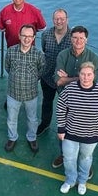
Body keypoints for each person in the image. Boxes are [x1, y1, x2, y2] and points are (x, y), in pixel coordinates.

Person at [56, 62, 98, 195]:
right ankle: (70, 180)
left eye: (89, 74)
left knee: (85, 158)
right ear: (79, 75)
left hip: (91, 135)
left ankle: (82, 181)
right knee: (68, 158)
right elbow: (61, 108)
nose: (85, 77)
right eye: (83, 74)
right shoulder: (70, 89)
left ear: (94, 75)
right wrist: (61, 128)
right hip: (70, 133)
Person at [50, 26, 98, 169]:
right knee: (63, 128)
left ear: (86, 40)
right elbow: (58, 81)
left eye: (81, 38)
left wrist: (68, 78)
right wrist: (79, 78)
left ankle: (84, 162)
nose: (78, 41)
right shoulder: (62, 55)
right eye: (75, 37)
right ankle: (63, 154)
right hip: (66, 100)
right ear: (70, 39)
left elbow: (90, 83)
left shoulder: (94, 58)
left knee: (85, 131)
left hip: (86, 102)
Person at [3, 25, 45, 153]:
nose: (27, 39)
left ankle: (31, 137)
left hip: (31, 94)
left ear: (33, 38)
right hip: (13, 93)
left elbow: (41, 71)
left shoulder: (38, 54)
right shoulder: (11, 51)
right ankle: (12, 137)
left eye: (30, 36)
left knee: (32, 119)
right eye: (24, 36)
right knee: (11, 118)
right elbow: (7, 67)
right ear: (19, 36)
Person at [36, 9, 70, 140]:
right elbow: (45, 50)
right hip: (48, 76)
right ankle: (45, 124)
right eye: (56, 19)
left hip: (65, 79)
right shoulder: (46, 35)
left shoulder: (73, 36)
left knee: (67, 106)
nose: (59, 21)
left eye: (62, 18)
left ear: (67, 19)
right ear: (53, 20)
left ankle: (67, 128)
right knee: (47, 102)